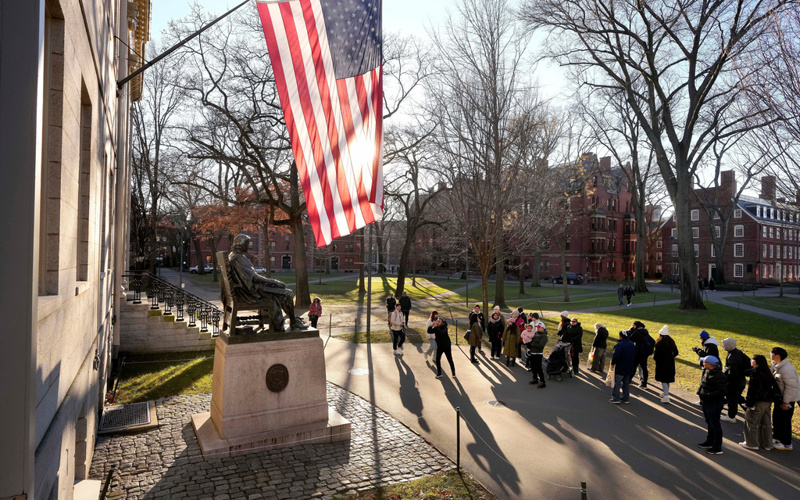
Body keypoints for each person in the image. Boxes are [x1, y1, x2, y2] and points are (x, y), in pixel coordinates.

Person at [227, 234, 304, 331]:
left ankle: (290, 322)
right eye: (247, 244)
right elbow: (254, 278)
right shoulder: (239, 258)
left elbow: (251, 276)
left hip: (245, 290)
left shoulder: (233, 255)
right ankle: (292, 323)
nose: (248, 246)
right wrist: (274, 282)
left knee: (281, 291)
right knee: (287, 293)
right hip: (251, 292)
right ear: (241, 245)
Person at [740, 354, 779, 451]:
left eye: (752, 360)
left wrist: (749, 403)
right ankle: (767, 444)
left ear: (756, 362)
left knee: (751, 421)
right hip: (768, 401)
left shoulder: (756, 373)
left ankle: (751, 443)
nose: (751, 361)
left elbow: (752, 390)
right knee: (766, 423)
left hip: (758, 401)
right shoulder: (767, 372)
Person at [771, 347, 799, 451]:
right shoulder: (778, 366)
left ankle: (786, 443)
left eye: (772, 354)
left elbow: (792, 387)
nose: (770, 356)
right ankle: (777, 438)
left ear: (777, 356)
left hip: (787, 400)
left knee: (785, 420)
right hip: (780, 398)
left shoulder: (787, 369)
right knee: (777, 418)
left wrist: (785, 402)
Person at [697, 355, 727, 455]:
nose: (703, 363)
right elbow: (703, 383)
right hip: (706, 402)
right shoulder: (707, 371)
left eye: (704, 362)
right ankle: (710, 441)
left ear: (710, 364)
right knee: (709, 422)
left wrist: (708, 395)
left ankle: (717, 447)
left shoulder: (720, 376)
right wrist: (700, 392)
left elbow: (721, 391)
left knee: (715, 424)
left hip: (714, 404)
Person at [721, 338, 750, 422]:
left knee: (732, 399)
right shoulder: (738, 352)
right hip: (741, 380)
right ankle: (750, 412)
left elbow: (732, 372)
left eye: (724, 345)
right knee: (738, 397)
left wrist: (725, 378)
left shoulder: (732, 357)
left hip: (734, 382)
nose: (723, 346)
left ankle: (731, 416)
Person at [653, 325, 679, 404]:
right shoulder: (671, 341)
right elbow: (676, 352)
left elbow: (656, 355)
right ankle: (665, 392)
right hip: (670, 363)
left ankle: (666, 395)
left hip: (662, 363)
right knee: (667, 379)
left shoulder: (660, 343)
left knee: (663, 379)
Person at [610, 330, 636, 404]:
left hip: (620, 366)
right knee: (626, 383)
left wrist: (613, 363)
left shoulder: (620, 345)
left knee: (617, 382)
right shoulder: (632, 344)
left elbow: (616, 355)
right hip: (629, 366)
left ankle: (616, 397)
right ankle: (625, 398)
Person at [628, 321, 654, 388]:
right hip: (644, 353)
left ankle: (628, 380)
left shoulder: (637, 332)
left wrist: (631, 332)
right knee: (644, 368)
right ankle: (644, 384)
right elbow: (653, 341)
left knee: (633, 367)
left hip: (638, 352)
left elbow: (630, 339)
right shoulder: (645, 332)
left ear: (636, 326)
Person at [528, 322, 548, 388]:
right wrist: (528, 343)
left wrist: (531, 344)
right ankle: (535, 379)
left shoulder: (544, 336)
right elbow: (532, 340)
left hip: (538, 354)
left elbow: (540, 345)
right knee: (533, 367)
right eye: (537, 327)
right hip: (532, 353)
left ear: (543, 328)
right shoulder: (536, 333)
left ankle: (542, 382)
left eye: (539, 327)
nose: (537, 328)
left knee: (539, 368)